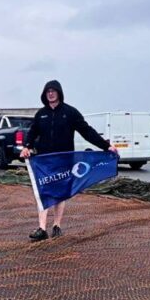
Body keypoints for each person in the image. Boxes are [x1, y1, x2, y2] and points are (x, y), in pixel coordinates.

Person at [19, 80, 117, 241]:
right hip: (45, 161)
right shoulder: (41, 114)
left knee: (61, 193)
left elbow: (87, 131)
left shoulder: (70, 113)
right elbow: (32, 132)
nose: (50, 93)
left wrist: (106, 146)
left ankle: (56, 225)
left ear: (59, 93)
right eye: (47, 91)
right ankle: (41, 228)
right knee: (43, 191)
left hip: (64, 160)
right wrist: (27, 147)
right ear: (44, 94)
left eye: (53, 91)